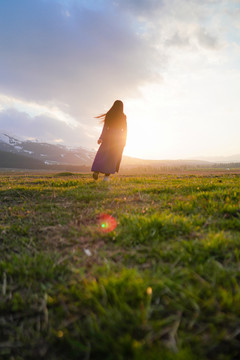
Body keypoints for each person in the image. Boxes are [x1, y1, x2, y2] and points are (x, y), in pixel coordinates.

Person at [91, 100, 127, 181]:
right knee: (112, 158)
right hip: (118, 139)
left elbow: (105, 128)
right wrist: (124, 140)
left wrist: (101, 138)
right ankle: (106, 177)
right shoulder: (123, 116)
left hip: (108, 137)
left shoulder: (109, 114)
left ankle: (96, 171)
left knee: (102, 155)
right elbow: (125, 129)